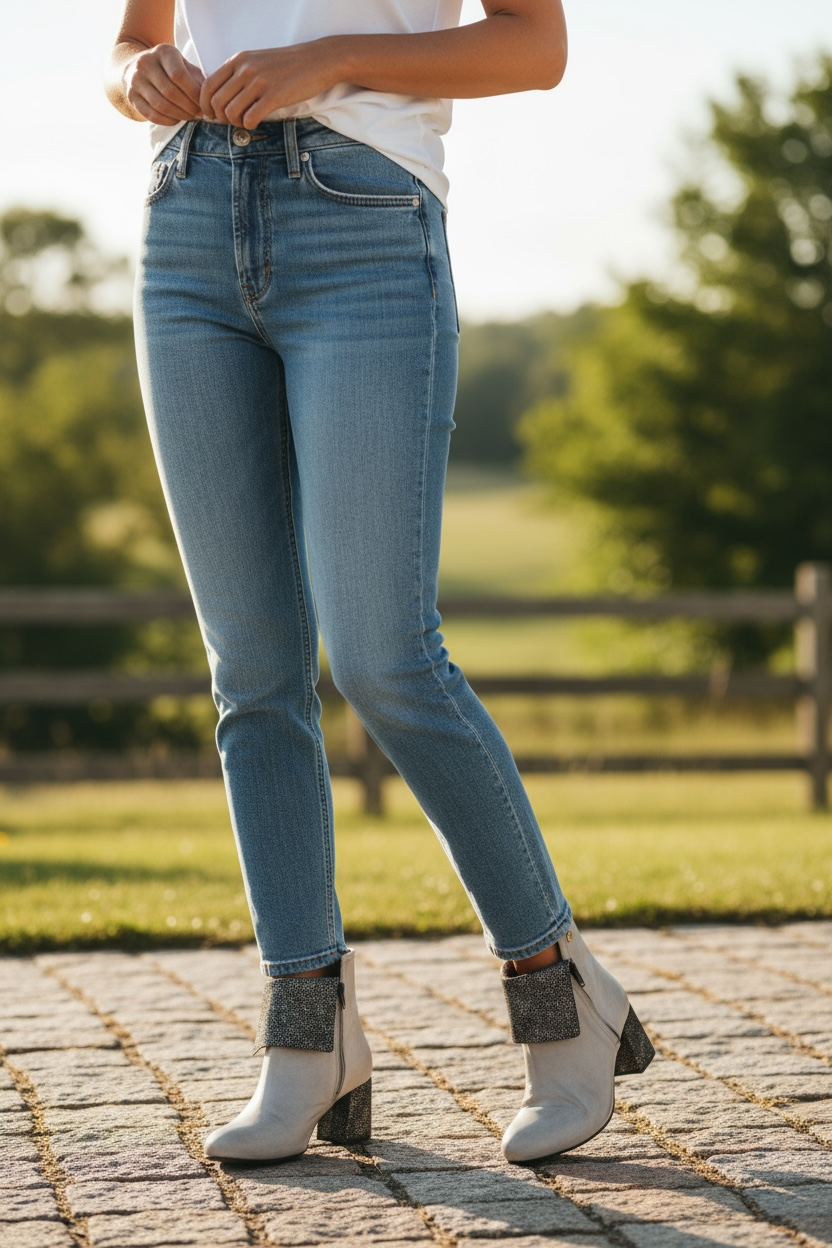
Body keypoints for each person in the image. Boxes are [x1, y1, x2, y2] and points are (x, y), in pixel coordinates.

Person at [105, 0, 653, 1166]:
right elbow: (130, 41)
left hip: (362, 219)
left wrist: (334, 57)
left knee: (381, 653)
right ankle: (310, 1043)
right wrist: (139, 78)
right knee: (251, 671)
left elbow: (532, 45)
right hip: (185, 219)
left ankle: (560, 998)